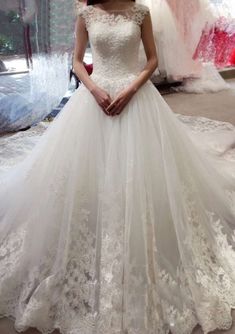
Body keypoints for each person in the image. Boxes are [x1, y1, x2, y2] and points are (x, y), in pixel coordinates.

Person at [0, 1, 235, 333]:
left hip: (135, 95)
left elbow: (152, 60)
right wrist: (94, 89)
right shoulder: (86, 14)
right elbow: (77, 61)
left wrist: (131, 89)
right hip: (95, 98)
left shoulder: (140, 12)